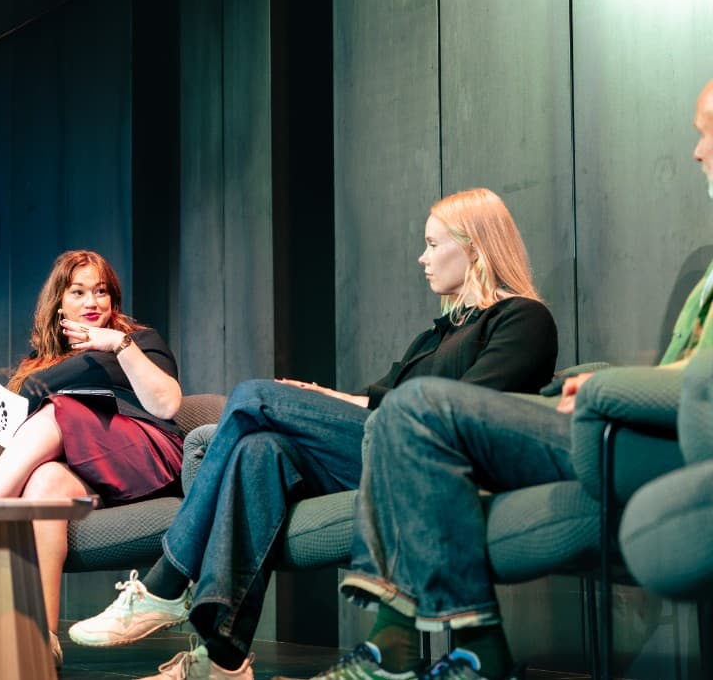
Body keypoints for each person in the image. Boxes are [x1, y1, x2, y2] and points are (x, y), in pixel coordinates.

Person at [298, 78, 713, 680]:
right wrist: (619, 384)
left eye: (706, 129)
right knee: (378, 412)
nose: (697, 150)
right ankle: (438, 649)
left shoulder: (521, 316)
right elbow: (690, 369)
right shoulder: (436, 331)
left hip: (649, 440)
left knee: (409, 409)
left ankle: (431, 647)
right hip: (632, 420)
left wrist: (607, 390)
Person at [70, 188, 560, 680]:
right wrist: (318, 397)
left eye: (433, 245)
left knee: (252, 396)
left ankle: (169, 578)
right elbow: (374, 399)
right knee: (258, 449)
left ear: (473, 246)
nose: (422, 257)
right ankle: (221, 662)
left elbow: (460, 409)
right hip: (380, 444)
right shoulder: (437, 333)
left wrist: (301, 404)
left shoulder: (522, 318)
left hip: (440, 455)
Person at [0, 250, 185, 669]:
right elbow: (15, 439)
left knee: (59, 412)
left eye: (101, 292)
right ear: (59, 304)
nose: (92, 302)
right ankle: (42, 639)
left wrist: (117, 345)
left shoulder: (137, 340)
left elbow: (168, 403)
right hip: (87, 473)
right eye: (79, 292)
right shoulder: (38, 368)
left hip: (145, 456)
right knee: (44, 483)